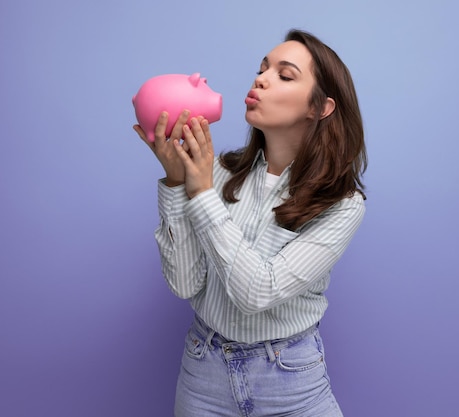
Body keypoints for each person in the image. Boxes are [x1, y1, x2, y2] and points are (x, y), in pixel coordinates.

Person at [134, 28, 367, 417]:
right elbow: (185, 285)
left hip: (290, 381)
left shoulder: (342, 205)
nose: (260, 78)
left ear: (320, 108)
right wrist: (177, 184)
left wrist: (202, 195)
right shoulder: (219, 172)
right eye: (262, 68)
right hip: (203, 374)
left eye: (284, 75)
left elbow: (257, 292)